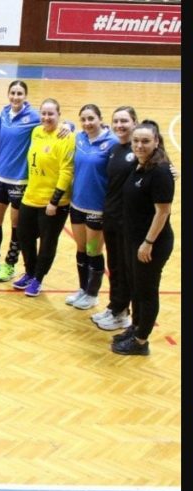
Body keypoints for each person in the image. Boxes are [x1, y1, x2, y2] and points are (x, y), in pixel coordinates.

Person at [113, 120, 174, 355]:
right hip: (134, 239)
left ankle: (141, 342)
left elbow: (163, 212)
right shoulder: (139, 165)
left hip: (151, 244)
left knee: (147, 292)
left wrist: (148, 243)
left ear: (156, 142)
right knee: (136, 288)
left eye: (145, 141)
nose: (139, 145)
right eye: (136, 141)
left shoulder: (160, 171)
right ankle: (136, 327)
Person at [0, 80, 40, 282]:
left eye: (19, 93)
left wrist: (67, 126)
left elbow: (53, 123)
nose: (15, 97)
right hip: (0, 177)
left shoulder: (34, 117)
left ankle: (10, 265)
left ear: (25, 96)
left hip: (20, 181)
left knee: (15, 225)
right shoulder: (3, 114)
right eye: (12, 93)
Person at [12, 98, 75, 297]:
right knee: (24, 236)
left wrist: (54, 201)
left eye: (51, 114)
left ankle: (38, 278)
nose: (47, 117)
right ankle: (29, 272)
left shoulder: (67, 137)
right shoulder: (36, 132)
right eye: (44, 113)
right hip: (31, 196)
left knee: (47, 242)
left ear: (59, 115)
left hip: (54, 202)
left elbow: (67, 171)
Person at [63, 104, 118, 310]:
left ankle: (92, 294)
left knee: (93, 251)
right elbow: (66, 126)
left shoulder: (112, 142)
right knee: (81, 249)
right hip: (77, 204)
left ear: (100, 119)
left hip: (97, 208)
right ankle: (83, 289)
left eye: (91, 118)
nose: (87, 123)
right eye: (83, 119)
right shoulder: (79, 138)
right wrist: (67, 125)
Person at [90, 106, 139, 331]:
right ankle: (114, 306)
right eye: (116, 121)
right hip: (110, 215)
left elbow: (159, 165)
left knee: (124, 267)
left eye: (124, 121)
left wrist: (170, 170)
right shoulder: (115, 148)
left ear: (134, 122)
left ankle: (122, 312)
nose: (120, 125)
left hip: (127, 220)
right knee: (114, 265)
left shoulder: (138, 149)